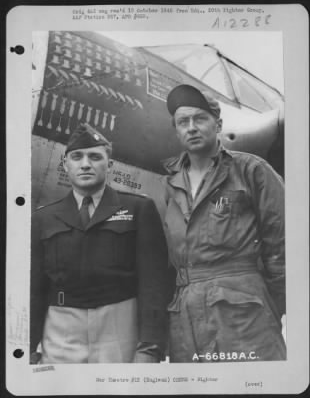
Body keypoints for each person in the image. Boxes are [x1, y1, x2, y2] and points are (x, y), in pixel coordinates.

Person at [163, 84, 286, 362]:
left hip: (245, 319)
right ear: (176, 130)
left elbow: (283, 247)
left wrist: (267, 306)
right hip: (185, 321)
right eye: (183, 122)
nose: (191, 128)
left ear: (218, 124)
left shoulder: (251, 170)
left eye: (200, 119)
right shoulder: (170, 184)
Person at [30, 123, 169, 364]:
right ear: (65, 164)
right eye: (76, 157)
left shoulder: (138, 209)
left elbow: (154, 285)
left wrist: (150, 348)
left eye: (95, 157)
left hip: (119, 330)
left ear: (110, 165)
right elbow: (35, 290)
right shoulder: (43, 218)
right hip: (60, 332)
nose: (85, 164)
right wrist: (28, 347)